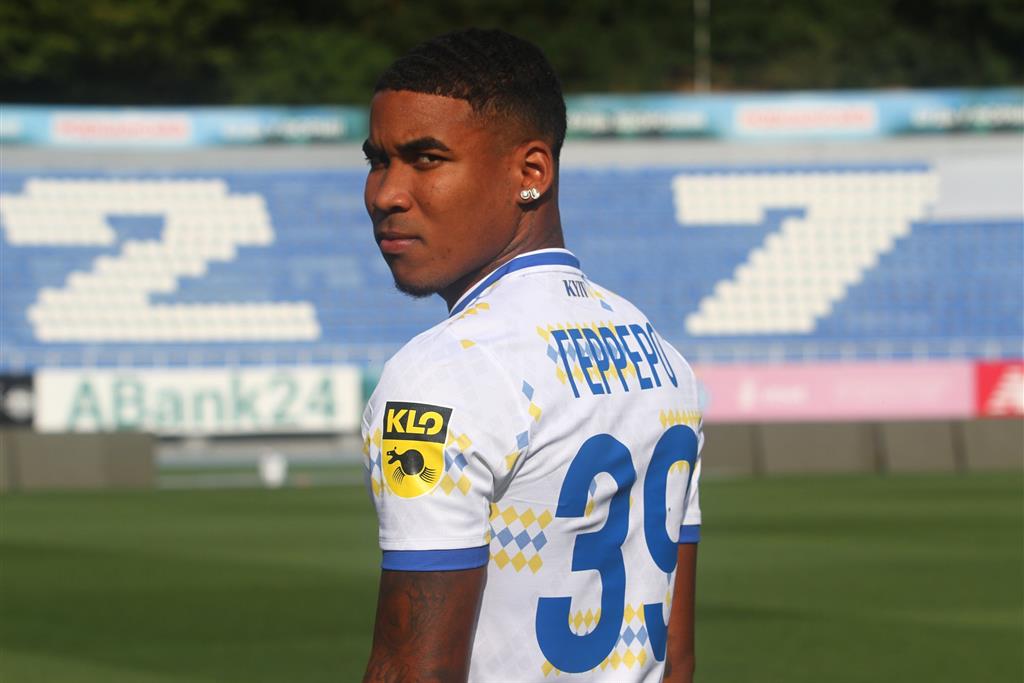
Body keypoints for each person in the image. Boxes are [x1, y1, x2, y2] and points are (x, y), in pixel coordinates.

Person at [360, 28, 704, 683]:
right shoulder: (662, 358)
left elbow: (413, 669)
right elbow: (676, 660)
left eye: (427, 159)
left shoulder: (444, 373)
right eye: (379, 160)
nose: (386, 194)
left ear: (531, 174)